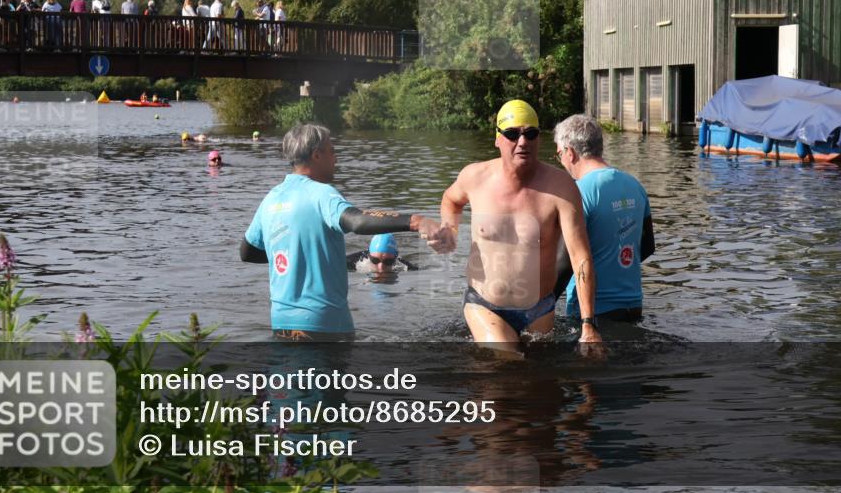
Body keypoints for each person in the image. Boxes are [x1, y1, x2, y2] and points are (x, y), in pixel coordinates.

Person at [239, 124, 441, 340]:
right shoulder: (321, 194)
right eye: (332, 151)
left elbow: (247, 253)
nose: (336, 158)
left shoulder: (271, 198)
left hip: (281, 325)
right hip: (326, 326)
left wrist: (297, 255)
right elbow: (357, 221)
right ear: (317, 155)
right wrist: (415, 221)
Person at [433, 100, 603, 353]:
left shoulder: (562, 188)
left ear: (539, 139)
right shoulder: (474, 177)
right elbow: (450, 200)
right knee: (506, 362)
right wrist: (450, 229)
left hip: (540, 308)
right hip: (485, 303)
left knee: (536, 384)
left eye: (530, 133)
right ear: (498, 139)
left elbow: (580, 257)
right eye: (512, 134)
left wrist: (588, 325)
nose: (522, 142)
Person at [553, 114, 655, 325]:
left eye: (559, 154)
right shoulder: (635, 185)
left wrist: (539, 308)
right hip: (633, 307)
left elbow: (564, 265)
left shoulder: (578, 193)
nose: (560, 161)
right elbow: (647, 247)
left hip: (591, 312)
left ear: (570, 153)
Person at [347, 234, 418, 273]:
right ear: (369, 255)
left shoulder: (406, 267)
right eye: (375, 260)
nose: (381, 267)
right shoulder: (348, 263)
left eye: (388, 261)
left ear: (395, 258)